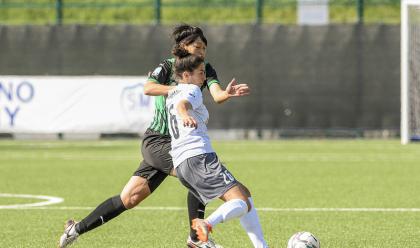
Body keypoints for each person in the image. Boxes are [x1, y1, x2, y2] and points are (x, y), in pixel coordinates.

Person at [59, 24, 250, 248]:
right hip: (159, 141)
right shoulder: (168, 67)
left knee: (129, 198)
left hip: (181, 141)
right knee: (198, 176)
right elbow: (149, 88)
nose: (201, 52)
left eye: (204, 48)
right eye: (197, 47)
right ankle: (197, 239)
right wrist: (176, 90)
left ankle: (76, 229)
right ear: (183, 47)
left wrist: (226, 93)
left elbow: (217, 95)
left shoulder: (205, 68)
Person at [166, 49, 269, 248]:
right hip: (198, 157)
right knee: (242, 203)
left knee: (244, 193)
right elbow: (183, 106)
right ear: (186, 75)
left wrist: (225, 94)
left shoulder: (172, 92)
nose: (204, 77)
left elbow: (179, 104)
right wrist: (185, 114)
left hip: (183, 162)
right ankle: (205, 223)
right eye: (201, 73)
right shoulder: (192, 90)